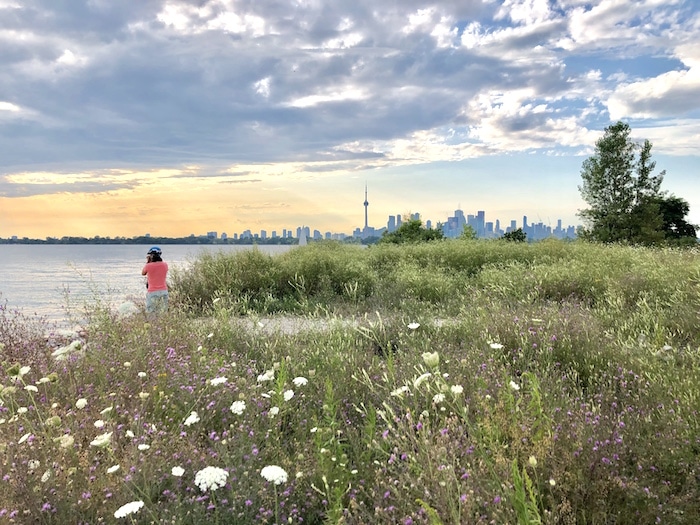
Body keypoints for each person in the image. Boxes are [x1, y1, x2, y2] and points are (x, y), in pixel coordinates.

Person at [141, 246, 169, 314]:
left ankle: (153, 324)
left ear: (151, 256)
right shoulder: (165, 265)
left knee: (151, 312)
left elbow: (143, 273)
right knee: (163, 311)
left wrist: (148, 262)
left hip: (152, 291)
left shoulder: (148, 266)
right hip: (164, 291)